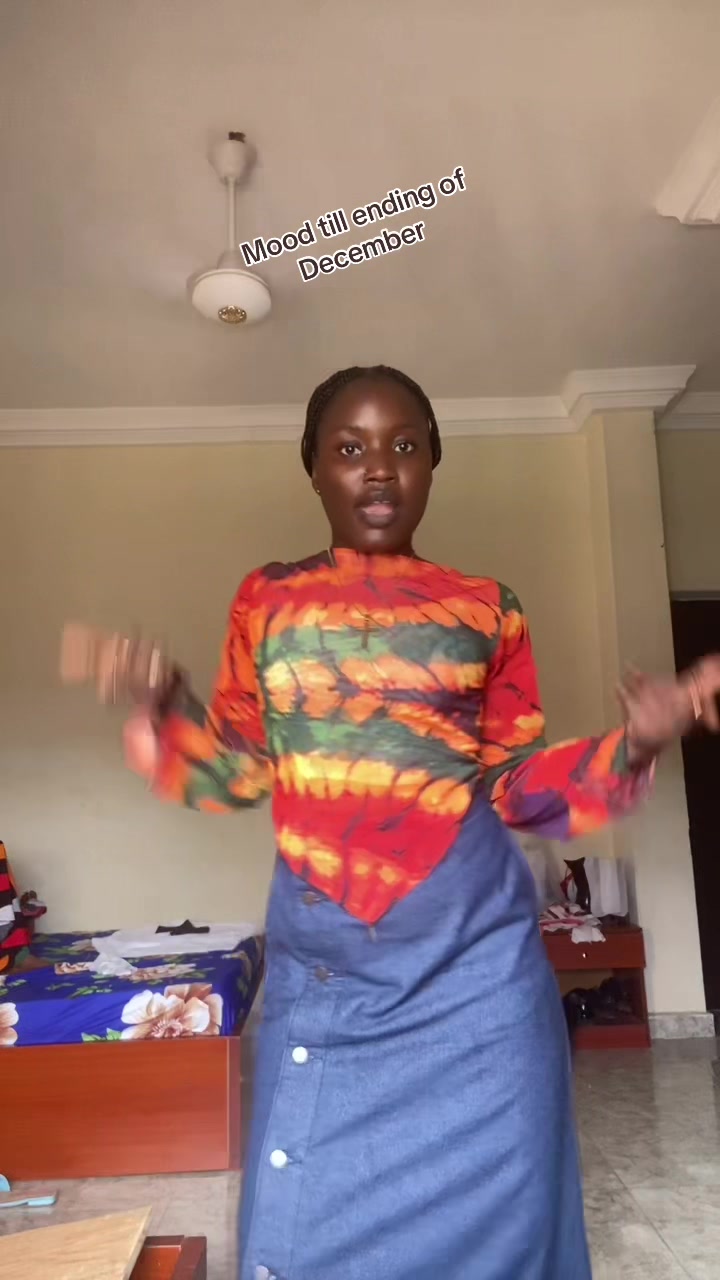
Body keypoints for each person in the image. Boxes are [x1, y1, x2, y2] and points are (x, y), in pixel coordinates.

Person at [69, 365, 720, 1280]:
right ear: (314, 469)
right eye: (350, 448)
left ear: (431, 463)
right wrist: (166, 703)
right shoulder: (267, 600)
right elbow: (237, 769)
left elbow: (515, 784)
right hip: (328, 968)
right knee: (307, 1228)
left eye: (404, 445)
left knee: (503, 1226)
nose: (379, 467)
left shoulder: (488, 607)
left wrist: (636, 742)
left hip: (476, 972)